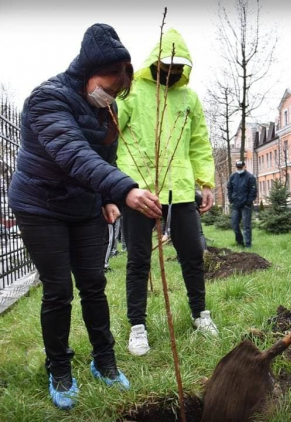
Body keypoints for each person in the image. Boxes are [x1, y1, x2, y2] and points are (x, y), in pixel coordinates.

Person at [7, 23, 162, 410]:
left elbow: (102, 158)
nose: (110, 97)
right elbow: (73, 152)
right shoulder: (46, 100)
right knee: (58, 291)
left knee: (93, 282)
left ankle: (104, 362)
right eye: (109, 88)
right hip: (40, 206)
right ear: (89, 69)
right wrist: (125, 189)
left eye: (116, 93)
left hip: (83, 207)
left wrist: (105, 196)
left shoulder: (103, 110)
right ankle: (60, 369)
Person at [116, 28, 218, 357]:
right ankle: (137, 327)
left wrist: (205, 182)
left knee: (192, 255)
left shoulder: (190, 99)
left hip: (182, 190)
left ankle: (201, 315)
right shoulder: (131, 93)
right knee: (138, 260)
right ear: (154, 63)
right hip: (139, 191)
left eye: (178, 69)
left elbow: (199, 143)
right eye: (166, 67)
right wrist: (118, 185)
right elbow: (114, 136)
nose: (171, 74)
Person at [227, 160, 257, 248]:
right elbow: (229, 188)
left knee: (246, 225)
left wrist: (248, 202)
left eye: (241, 167)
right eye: (238, 167)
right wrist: (231, 200)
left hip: (246, 205)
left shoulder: (250, 177)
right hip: (235, 204)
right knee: (234, 224)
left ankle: (248, 245)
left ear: (244, 166)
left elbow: (253, 191)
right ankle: (239, 242)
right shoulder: (233, 176)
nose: (239, 169)